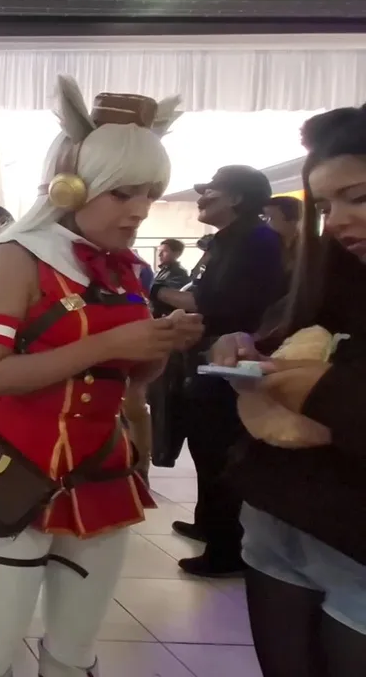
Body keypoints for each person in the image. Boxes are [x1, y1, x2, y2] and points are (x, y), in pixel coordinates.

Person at [0, 78, 203, 677]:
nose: (140, 209)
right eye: (122, 193)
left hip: (100, 469)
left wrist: (160, 346)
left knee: (75, 652)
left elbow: (131, 380)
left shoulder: (125, 269)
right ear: (71, 186)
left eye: (149, 193)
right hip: (7, 468)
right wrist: (111, 342)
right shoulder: (14, 258)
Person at [213, 104, 366, 676]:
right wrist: (241, 347)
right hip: (281, 516)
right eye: (325, 206)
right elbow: (283, 340)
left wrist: (325, 391)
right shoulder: (334, 269)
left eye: (359, 197)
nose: (340, 221)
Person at [154, 164, 286, 577]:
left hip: (233, 364)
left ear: (237, 198)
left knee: (222, 452)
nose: (202, 197)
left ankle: (227, 548)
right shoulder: (225, 241)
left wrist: (159, 293)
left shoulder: (257, 241)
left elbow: (220, 303)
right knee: (204, 447)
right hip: (208, 360)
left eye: (211, 190)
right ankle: (209, 524)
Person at [148, 238, 194, 468]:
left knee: (165, 399)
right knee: (156, 398)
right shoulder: (162, 273)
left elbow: (181, 303)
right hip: (158, 335)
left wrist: (154, 291)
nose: (160, 255)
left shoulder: (177, 276)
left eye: (164, 251)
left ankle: (162, 453)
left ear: (176, 253)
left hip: (170, 339)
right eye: (160, 251)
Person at [264, 195, 303, 277]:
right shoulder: (266, 248)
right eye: (264, 218)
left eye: (269, 218)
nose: (265, 223)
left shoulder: (309, 249)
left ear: (293, 221)